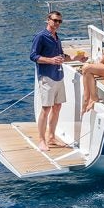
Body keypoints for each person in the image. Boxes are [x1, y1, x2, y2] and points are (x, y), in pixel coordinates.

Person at [29, 11, 81, 152]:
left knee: (57, 107)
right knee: (46, 109)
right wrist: (50, 60)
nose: (57, 24)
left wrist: (76, 58)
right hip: (46, 77)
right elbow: (33, 56)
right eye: (55, 20)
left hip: (59, 76)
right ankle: (42, 140)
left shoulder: (56, 37)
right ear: (48, 20)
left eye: (60, 21)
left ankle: (51, 137)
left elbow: (61, 56)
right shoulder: (41, 37)